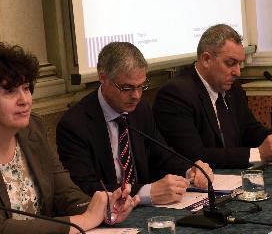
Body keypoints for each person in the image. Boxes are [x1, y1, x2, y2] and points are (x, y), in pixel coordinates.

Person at [0, 42, 139, 234]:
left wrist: (103, 206)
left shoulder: (32, 130)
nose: (25, 100)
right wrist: (81, 222)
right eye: (10, 92)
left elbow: (64, 193)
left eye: (26, 89)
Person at [57, 42, 213, 206]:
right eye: (127, 88)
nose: (136, 96)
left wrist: (191, 170)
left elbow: (163, 156)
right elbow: (86, 188)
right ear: (103, 78)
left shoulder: (140, 110)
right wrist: (147, 192)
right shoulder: (74, 125)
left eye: (141, 86)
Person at [153, 24, 272, 168]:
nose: (238, 72)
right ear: (206, 60)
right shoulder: (175, 94)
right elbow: (193, 156)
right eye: (231, 63)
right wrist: (257, 153)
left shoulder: (233, 88)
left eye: (240, 64)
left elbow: (250, 129)